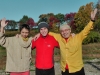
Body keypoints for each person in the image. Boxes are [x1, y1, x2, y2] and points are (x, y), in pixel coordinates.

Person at [34, 9, 97, 75]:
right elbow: (48, 32)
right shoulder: (59, 38)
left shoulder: (78, 37)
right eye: (62, 31)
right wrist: (39, 33)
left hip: (77, 69)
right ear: (60, 33)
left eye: (66, 30)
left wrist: (92, 20)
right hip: (65, 70)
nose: (64, 32)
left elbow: (86, 30)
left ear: (70, 31)